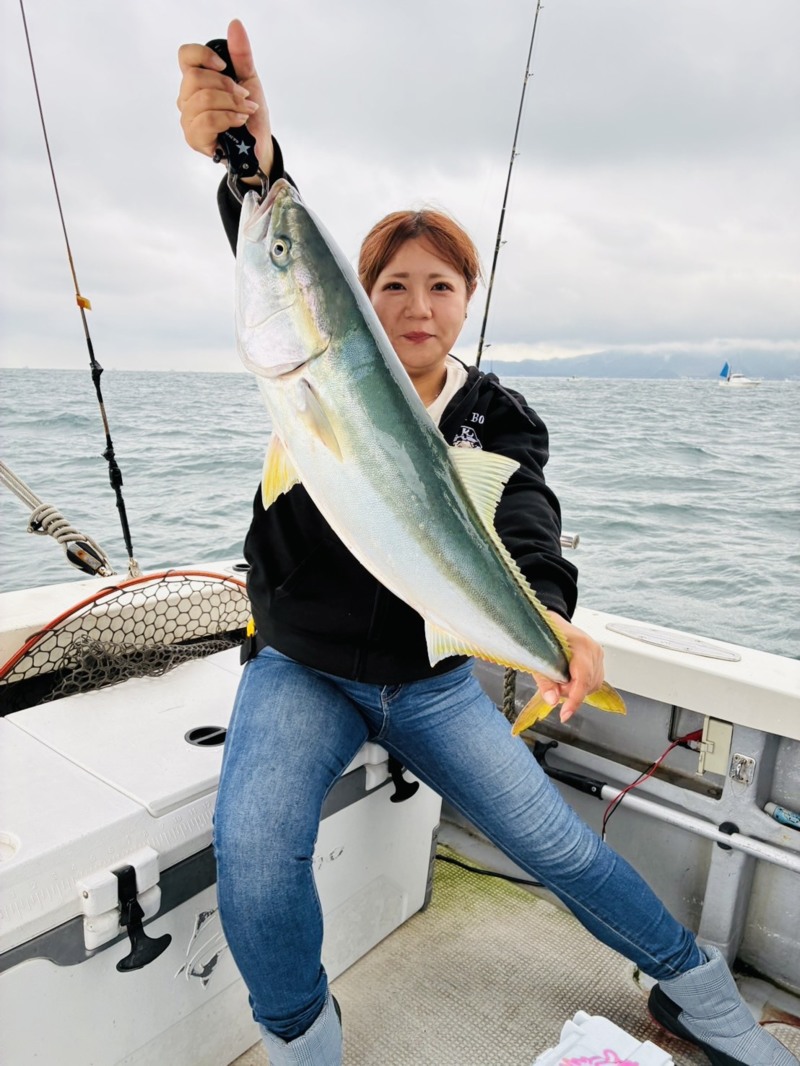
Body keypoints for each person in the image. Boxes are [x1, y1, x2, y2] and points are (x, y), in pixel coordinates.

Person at [177, 21, 797, 1066]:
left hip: (430, 675)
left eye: (440, 285)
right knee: (252, 848)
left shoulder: (497, 416)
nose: (416, 306)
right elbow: (280, 260)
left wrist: (547, 614)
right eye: (390, 286)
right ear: (361, 305)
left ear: (466, 299)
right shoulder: (312, 378)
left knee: (555, 841)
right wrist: (251, 165)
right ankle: (300, 1037)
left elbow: (525, 523)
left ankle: (695, 986)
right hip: (298, 661)